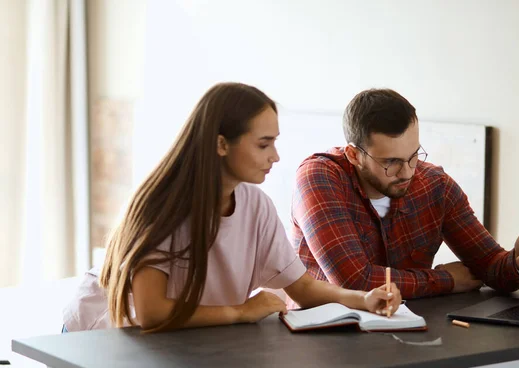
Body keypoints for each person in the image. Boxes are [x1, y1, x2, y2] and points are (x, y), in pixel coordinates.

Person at [62, 83, 402, 333]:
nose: (275, 156)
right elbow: (152, 312)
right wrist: (240, 311)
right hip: (98, 336)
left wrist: (362, 299)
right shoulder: (163, 206)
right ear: (221, 144)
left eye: (275, 142)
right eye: (263, 144)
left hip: (172, 338)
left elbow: (302, 287)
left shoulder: (256, 205)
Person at [291, 88, 519, 299]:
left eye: (413, 156)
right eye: (391, 162)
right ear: (354, 155)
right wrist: (445, 280)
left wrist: (518, 263)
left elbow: (490, 266)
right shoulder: (319, 177)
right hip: (325, 337)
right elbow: (355, 281)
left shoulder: (435, 186)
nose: (408, 172)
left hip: (409, 332)